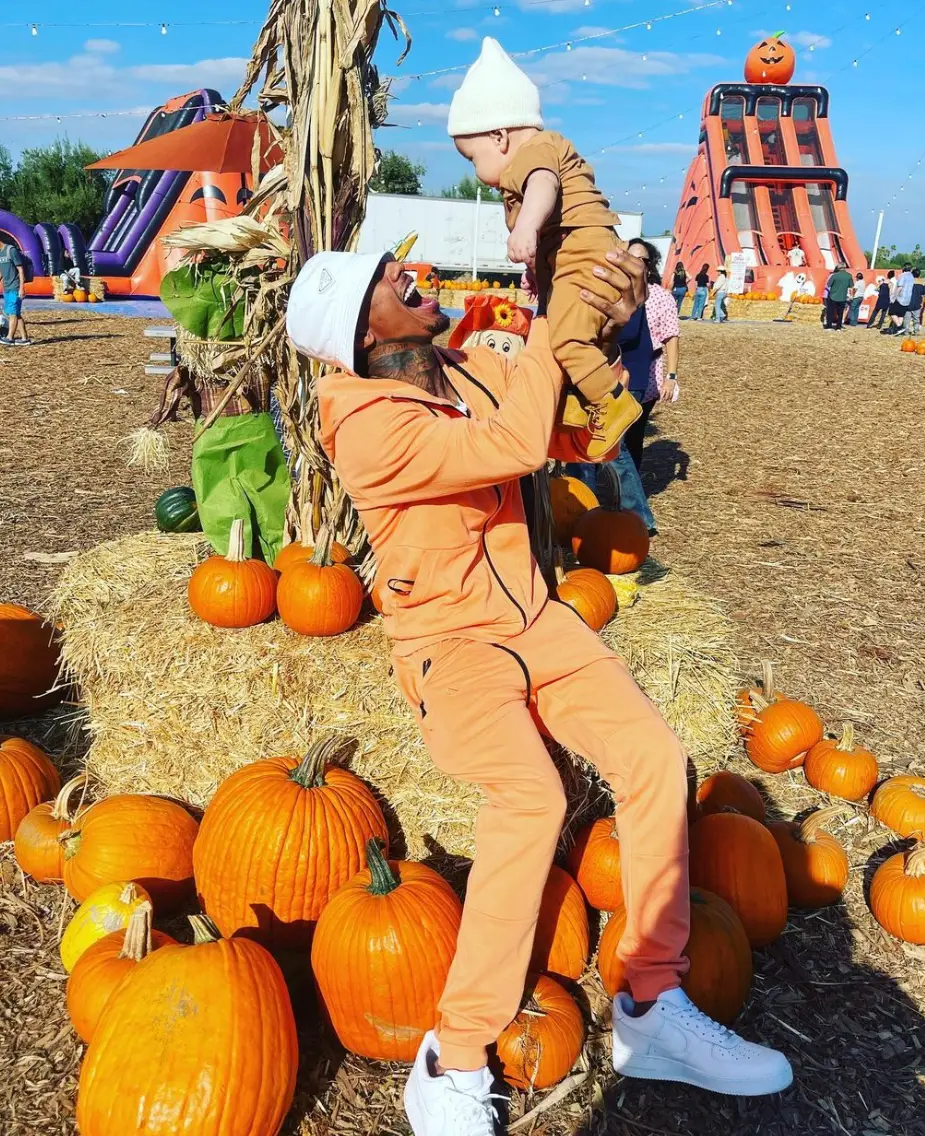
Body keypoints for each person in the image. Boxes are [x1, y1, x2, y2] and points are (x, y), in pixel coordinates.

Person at [286, 247, 793, 1136]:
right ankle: (456, 1054)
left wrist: (605, 342)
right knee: (531, 796)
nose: (408, 272)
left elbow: (568, 439)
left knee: (654, 758)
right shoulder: (365, 426)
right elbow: (511, 445)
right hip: (451, 644)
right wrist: (555, 323)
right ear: (364, 331)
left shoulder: (466, 369)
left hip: (536, 620)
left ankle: (651, 1006)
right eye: (385, 279)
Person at [448, 37, 640, 460]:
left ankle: (612, 402)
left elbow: (543, 185)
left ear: (499, 136)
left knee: (568, 337)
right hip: (570, 254)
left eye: (471, 158)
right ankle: (579, 404)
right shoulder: (528, 159)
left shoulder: (535, 151)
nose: (475, 171)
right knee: (561, 332)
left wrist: (526, 229)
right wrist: (537, 267)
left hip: (584, 252)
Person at [566, 239, 679, 534]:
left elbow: (633, 336)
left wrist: (672, 375)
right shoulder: (615, 289)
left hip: (625, 377)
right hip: (604, 376)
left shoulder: (635, 296)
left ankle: (633, 515)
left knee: (613, 445)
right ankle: (586, 508)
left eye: (641, 259)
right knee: (598, 443)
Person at [0, 238, 31, 347]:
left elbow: (20, 270)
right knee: (15, 313)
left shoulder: (11, 250)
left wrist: (21, 288)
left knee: (12, 313)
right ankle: (25, 338)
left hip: (15, 287)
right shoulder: (0, 253)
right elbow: (2, 271)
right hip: (7, 288)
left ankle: (9, 337)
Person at [883, 263, 914, 335]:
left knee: (891, 312)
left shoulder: (902, 276)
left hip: (900, 298)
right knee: (900, 314)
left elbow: (899, 287)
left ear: (904, 268)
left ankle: (899, 327)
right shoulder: (911, 277)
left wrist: (893, 297)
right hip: (907, 299)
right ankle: (898, 330)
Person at [825, 263, 852, 331]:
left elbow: (828, 285)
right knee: (840, 313)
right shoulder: (849, 276)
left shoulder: (834, 275)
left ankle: (829, 326)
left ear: (838, 268)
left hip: (833, 296)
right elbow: (851, 286)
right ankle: (838, 327)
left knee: (830, 312)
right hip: (843, 297)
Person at [905, 268, 925, 335]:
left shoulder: (907, 282)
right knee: (916, 318)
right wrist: (922, 303)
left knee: (906, 318)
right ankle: (916, 331)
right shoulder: (922, 283)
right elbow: (923, 295)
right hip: (917, 303)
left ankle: (906, 331)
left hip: (907, 303)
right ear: (919, 275)